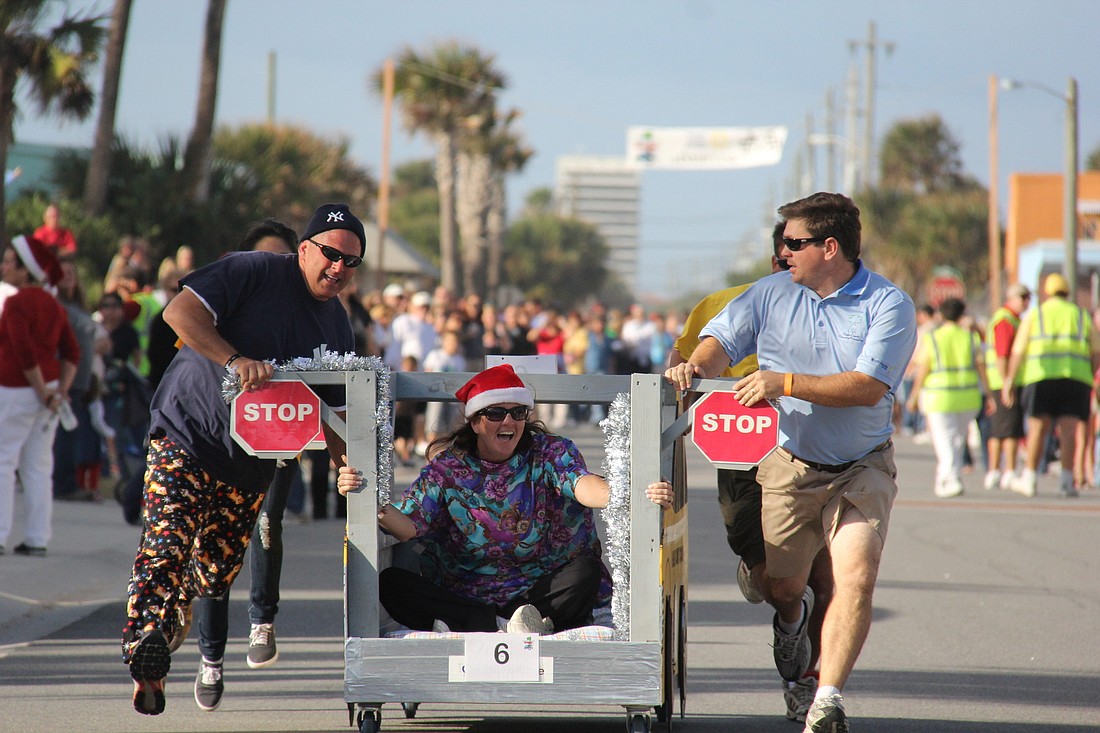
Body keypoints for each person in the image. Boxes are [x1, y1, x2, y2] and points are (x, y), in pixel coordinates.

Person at [664, 192, 916, 733]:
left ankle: (825, 698)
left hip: (862, 466)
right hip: (788, 465)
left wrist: (786, 383)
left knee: (854, 578)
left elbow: (870, 386)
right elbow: (719, 341)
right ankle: (790, 617)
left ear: (830, 247)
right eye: (782, 242)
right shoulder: (770, 294)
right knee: (781, 585)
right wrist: (694, 369)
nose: (782, 252)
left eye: (793, 242)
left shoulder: (889, 304)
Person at [121, 203, 365, 716]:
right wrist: (235, 359)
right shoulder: (253, 269)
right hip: (188, 433)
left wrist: (346, 466)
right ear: (305, 248)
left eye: (352, 262)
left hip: (251, 463)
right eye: (332, 254)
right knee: (164, 543)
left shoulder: (337, 326)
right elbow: (178, 314)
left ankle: (177, 610)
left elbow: (336, 409)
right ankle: (149, 651)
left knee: (213, 574)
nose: (340, 269)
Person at [337, 364, 674, 635]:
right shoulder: (448, 468)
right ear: (475, 421)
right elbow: (408, 527)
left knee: (585, 571)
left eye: (518, 413)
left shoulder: (550, 451)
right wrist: (370, 501)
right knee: (392, 584)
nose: (509, 421)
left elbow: (581, 484)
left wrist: (629, 493)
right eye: (496, 413)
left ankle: (491, 625)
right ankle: (498, 625)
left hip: (540, 595)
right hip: (467, 594)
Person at [669, 222, 832, 723]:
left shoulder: (843, 307)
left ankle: (808, 684)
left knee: (829, 576)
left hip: (818, 453)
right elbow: (684, 361)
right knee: (779, 587)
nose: (792, 268)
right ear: (775, 261)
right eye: (786, 258)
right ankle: (786, 613)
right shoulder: (728, 302)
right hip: (744, 455)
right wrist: (682, 373)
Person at [0, 236, 80, 556]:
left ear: (26, 271)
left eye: (9, 261)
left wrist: (42, 390)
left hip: (15, 390)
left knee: (4, 462)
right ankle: (37, 537)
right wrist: (57, 391)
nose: (3, 266)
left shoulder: (16, 303)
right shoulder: (53, 305)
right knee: (37, 467)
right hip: (45, 394)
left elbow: (23, 352)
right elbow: (72, 353)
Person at [1002, 273, 1100, 498]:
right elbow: (1096, 351)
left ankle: (1029, 479)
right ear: (1067, 291)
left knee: (1038, 430)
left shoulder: (1037, 314)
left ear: (1046, 292)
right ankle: (1067, 481)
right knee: (1069, 432)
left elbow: (1018, 350)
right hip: (1075, 380)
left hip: (1041, 379)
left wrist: (1009, 379)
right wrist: (1090, 372)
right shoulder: (1080, 315)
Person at [905, 298, 991, 498]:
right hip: (968, 397)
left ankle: (949, 480)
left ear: (941, 315)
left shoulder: (934, 338)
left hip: (939, 397)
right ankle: (947, 478)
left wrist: (914, 396)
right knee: (958, 440)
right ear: (962, 315)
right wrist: (988, 394)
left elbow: (923, 368)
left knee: (945, 441)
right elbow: (981, 367)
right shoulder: (970, 338)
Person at [982, 283, 1031, 490]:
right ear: (1012, 298)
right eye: (1024, 298)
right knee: (1009, 429)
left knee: (1001, 427)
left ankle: (995, 471)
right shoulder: (1005, 319)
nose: (1027, 302)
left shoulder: (1011, 319)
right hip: (1005, 382)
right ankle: (1007, 471)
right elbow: (1002, 355)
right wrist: (1006, 383)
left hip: (1002, 381)